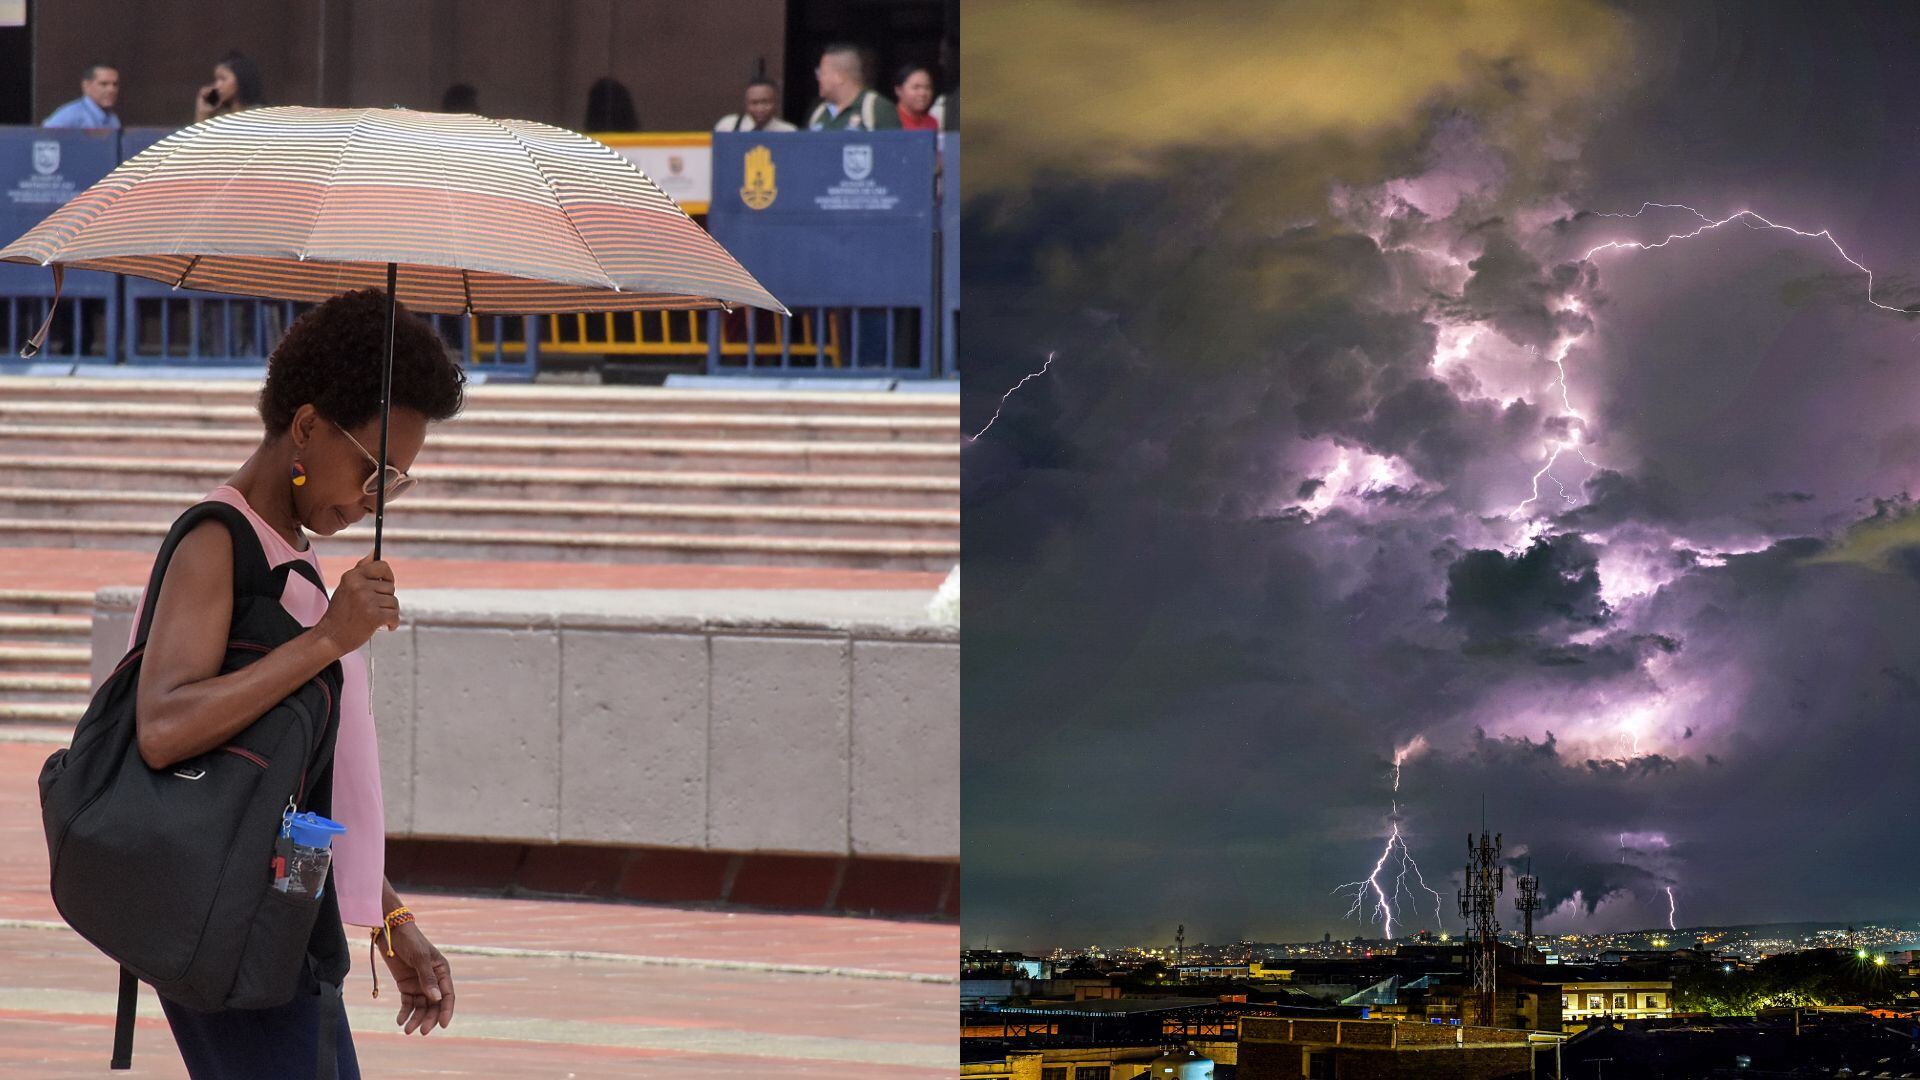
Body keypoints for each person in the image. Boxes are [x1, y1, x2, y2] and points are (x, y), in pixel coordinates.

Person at [135, 289, 467, 1077]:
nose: (372, 499)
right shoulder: (219, 541)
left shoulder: (293, 553)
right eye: (372, 470)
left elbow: (296, 782)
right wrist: (326, 640)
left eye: (396, 482)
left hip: (284, 918)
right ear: (309, 427)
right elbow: (164, 726)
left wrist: (388, 915)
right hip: (230, 928)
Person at [805, 43, 900, 131]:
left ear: (839, 77)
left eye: (822, 73)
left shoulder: (878, 109)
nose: (818, 78)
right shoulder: (819, 113)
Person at [43, 64, 121, 129]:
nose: (112, 90)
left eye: (115, 84)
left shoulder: (112, 118)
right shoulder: (70, 115)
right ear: (86, 86)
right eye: (104, 84)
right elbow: (43, 138)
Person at [194, 50, 264, 123]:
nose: (217, 86)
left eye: (223, 79)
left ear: (240, 78)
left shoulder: (258, 114)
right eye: (216, 80)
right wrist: (202, 113)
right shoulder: (219, 116)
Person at [714, 77, 795, 132]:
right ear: (745, 104)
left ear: (776, 103)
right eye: (754, 103)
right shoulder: (728, 126)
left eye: (765, 102)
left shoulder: (788, 131)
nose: (760, 108)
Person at [893, 63, 938, 131]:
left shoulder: (931, 122)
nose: (923, 93)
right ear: (899, 90)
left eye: (927, 87)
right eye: (916, 87)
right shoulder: (890, 121)